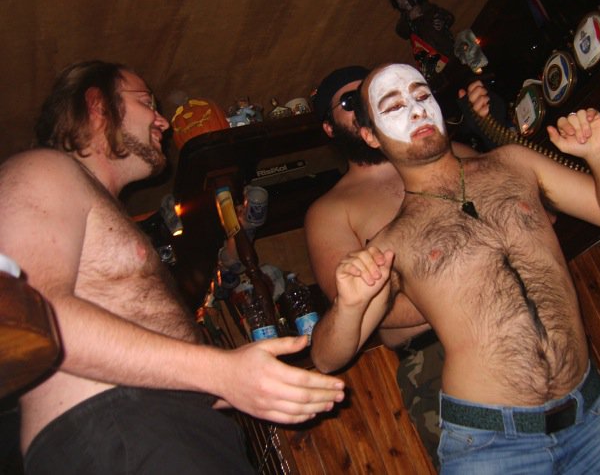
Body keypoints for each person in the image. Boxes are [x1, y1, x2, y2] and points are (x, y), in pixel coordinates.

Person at [311, 63, 600, 474]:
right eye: (394, 106)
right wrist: (349, 305)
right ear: (371, 136)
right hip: (491, 446)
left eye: (422, 95)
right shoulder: (393, 241)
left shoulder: (514, 163)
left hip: (594, 418)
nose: (416, 110)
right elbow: (326, 357)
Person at [0, 60, 345, 475]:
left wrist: (235, 384)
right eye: (146, 102)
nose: (162, 121)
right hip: (115, 431)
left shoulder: (100, 208)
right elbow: (36, 317)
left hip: (163, 429)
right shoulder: (42, 170)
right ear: (98, 105)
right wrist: (221, 373)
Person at [305, 65, 488, 466]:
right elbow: (357, 309)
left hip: (513, 326)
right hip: (434, 360)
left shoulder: (453, 156)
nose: (363, 106)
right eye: (350, 102)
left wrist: (491, 128)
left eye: (369, 96)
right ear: (330, 128)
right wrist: (466, 286)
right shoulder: (330, 211)